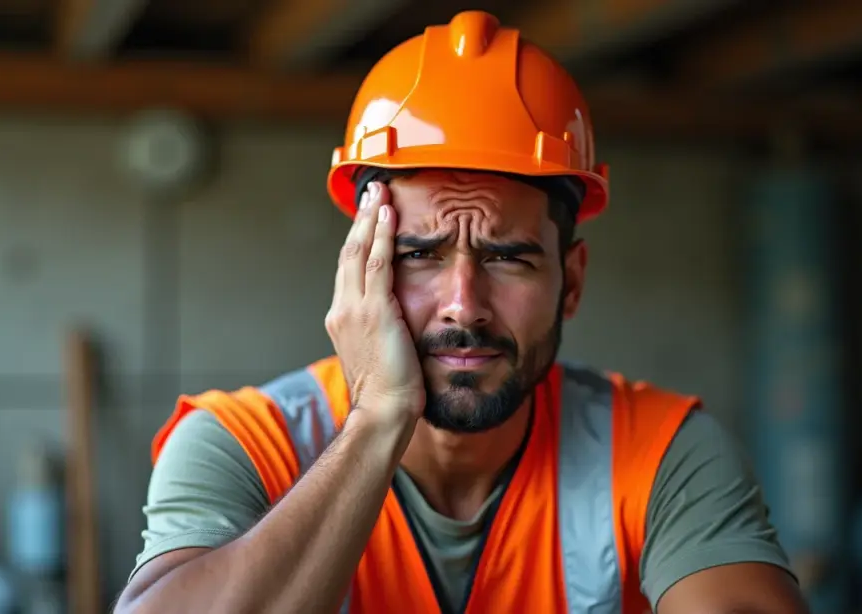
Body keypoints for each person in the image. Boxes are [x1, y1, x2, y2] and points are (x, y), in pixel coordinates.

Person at [116, 10, 808, 614]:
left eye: (508, 258)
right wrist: (378, 419)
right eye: (419, 255)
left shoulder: (658, 454)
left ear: (570, 282)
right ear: (363, 271)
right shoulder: (241, 444)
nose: (462, 305)